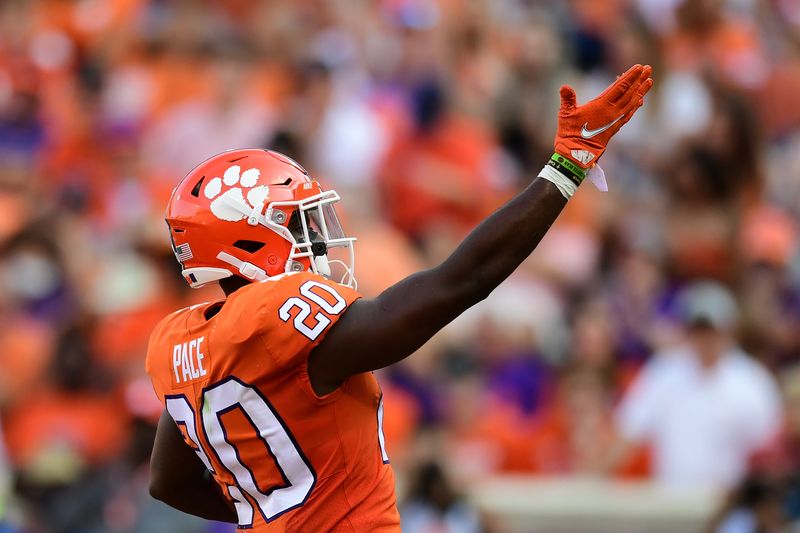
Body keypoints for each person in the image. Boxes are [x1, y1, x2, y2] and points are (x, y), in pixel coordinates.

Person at [145, 65, 653, 531]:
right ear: (248, 240)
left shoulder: (180, 341)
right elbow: (461, 281)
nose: (314, 237)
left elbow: (168, 483)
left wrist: (275, 516)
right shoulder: (277, 316)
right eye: (296, 221)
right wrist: (565, 169)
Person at [614, 281, 782, 489]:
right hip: (671, 503)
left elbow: (771, 450)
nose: (704, 339)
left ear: (730, 330)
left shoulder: (753, 382)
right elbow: (628, 432)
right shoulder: (664, 371)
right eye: (697, 330)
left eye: (711, 330)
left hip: (731, 508)